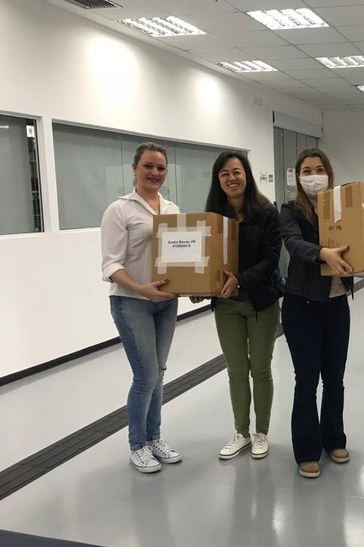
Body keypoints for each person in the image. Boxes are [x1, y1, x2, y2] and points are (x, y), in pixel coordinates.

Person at [100, 142, 182, 474]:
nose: (155, 173)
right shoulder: (119, 210)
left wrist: (192, 287)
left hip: (166, 303)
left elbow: (181, 257)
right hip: (131, 302)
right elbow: (111, 265)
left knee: (158, 372)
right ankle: (137, 445)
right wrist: (141, 288)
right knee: (146, 375)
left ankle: (153, 438)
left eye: (161, 168)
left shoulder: (173, 209)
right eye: (148, 166)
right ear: (134, 168)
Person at [201, 151, 283, 461]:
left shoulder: (267, 212)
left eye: (236, 171)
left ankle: (261, 432)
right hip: (227, 305)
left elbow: (271, 258)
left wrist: (241, 280)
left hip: (261, 301)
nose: (231, 178)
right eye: (224, 173)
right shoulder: (213, 216)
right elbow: (206, 259)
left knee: (260, 369)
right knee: (236, 370)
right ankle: (241, 432)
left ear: (246, 174)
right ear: (218, 180)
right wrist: (200, 286)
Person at [279, 148, 353, 479]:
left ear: (329, 173)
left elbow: (359, 243)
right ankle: (307, 449)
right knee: (307, 379)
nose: (314, 176)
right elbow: (293, 243)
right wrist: (324, 252)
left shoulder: (342, 210)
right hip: (302, 304)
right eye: (307, 171)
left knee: (335, 378)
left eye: (319, 169)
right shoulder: (290, 210)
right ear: (298, 177)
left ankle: (334, 439)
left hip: (337, 304)